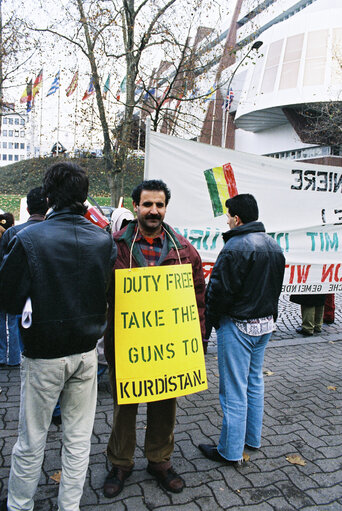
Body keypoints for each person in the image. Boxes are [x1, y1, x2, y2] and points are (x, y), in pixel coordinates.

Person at [0, 162, 116, 511]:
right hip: (85, 353)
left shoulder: (28, 238)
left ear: (49, 196)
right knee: (79, 439)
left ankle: (20, 504)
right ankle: (69, 505)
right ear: (84, 197)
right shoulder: (102, 239)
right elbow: (108, 294)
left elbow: (7, 299)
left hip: (43, 354)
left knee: (32, 437)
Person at [103, 179, 205, 498]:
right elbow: (100, 294)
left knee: (164, 405)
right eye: (147, 204)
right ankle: (120, 462)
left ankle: (159, 461)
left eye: (159, 205)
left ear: (165, 208)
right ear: (136, 207)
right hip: (127, 347)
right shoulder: (115, 247)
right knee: (125, 406)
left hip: (169, 350)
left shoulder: (184, 250)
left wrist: (198, 340)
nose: (154, 211)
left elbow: (198, 297)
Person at [199, 194, 285, 465]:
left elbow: (219, 291)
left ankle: (230, 451)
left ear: (237, 218)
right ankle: (252, 439)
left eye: (227, 217)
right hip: (264, 326)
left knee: (234, 390)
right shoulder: (274, 245)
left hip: (237, 326)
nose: (226, 221)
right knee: (254, 382)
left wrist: (208, 324)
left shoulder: (235, 246)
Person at [0, 212, 21, 368]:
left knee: (0, 322)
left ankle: (1, 356)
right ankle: (14, 358)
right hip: (11, 283)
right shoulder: (14, 236)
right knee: (13, 322)